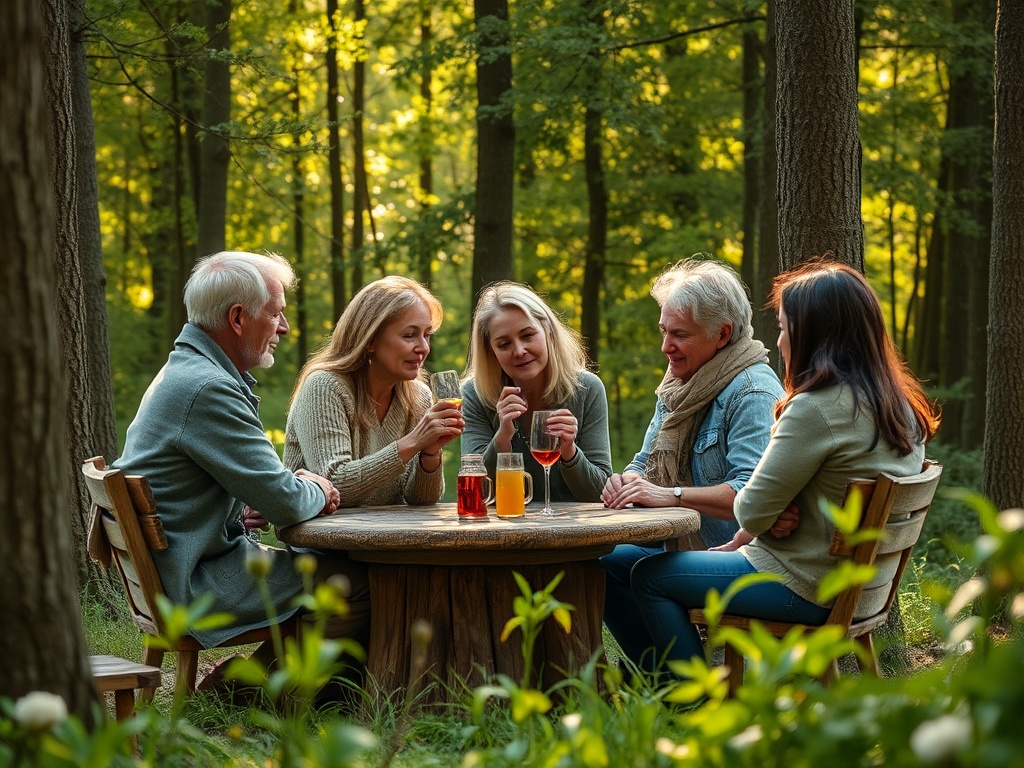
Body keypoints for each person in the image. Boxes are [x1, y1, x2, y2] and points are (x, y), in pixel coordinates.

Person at [628, 260, 941, 669]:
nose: (778, 341)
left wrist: (761, 516)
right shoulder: (898, 404)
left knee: (648, 576)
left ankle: (688, 701)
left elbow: (750, 507)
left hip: (805, 586)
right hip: (863, 589)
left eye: (783, 327)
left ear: (813, 334)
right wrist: (765, 519)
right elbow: (775, 508)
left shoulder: (814, 408)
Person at [115, 251, 368, 672]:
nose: (284, 327)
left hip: (179, 567)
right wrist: (319, 488)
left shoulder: (184, 371)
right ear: (237, 318)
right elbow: (286, 502)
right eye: (275, 314)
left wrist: (239, 508)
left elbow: (200, 484)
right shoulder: (208, 388)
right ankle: (254, 693)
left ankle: (245, 683)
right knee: (354, 582)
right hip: (192, 584)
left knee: (334, 572)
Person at [599, 257, 786, 671]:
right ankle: (661, 676)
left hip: (739, 555)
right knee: (602, 561)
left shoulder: (751, 390)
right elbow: (645, 461)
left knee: (646, 573)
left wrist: (670, 495)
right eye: (664, 331)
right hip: (684, 542)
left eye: (680, 335)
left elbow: (751, 495)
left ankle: (687, 693)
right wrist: (627, 482)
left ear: (722, 335)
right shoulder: (678, 386)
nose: (666, 346)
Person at [284, 275, 462, 506]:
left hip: (388, 537)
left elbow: (421, 499)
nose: (424, 348)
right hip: (320, 539)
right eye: (409, 335)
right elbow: (335, 486)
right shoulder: (324, 387)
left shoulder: (418, 396)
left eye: (427, 335)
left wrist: (429, 453)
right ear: (370, 340)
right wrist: (412, 442)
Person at [460, 281, 612, 502]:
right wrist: (502, 437)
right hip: (504, 531)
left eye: (528, 335)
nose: (519, 351)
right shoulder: (475, 395)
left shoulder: (586, 388)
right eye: (504, 344)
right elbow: (477, 495)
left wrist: (569, 451)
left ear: (548, 330)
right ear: (490, 351)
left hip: (577, 532)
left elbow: (600, 493)